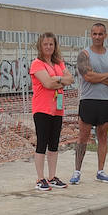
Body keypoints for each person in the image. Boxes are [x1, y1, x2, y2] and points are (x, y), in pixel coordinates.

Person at [70, 22, 108, 184]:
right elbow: (88, 77)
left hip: (106, 102)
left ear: (105, 35)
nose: (97, 37)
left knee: (103, 136)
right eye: (94, 34)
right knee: (83, 137)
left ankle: (101, 171)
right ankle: (77, 172)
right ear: (90, 35)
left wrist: (98, 76)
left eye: (100, 34)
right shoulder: (84, 55)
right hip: (88, 100)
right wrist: (107, 75)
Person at [30, 31, 74, 190]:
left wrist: (57, 79)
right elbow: (47, 84)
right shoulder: (37, 64)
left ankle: (52, 176)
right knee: (42, 142)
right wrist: (60, 81)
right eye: (45, 44)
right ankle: (40, 178)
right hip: (42, 108)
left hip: (57, 109)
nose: (48, 47)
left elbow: (71, 79)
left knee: (54, 143)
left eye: (51, 44)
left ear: (55, 46)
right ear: (40, 46)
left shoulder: (59, 63)